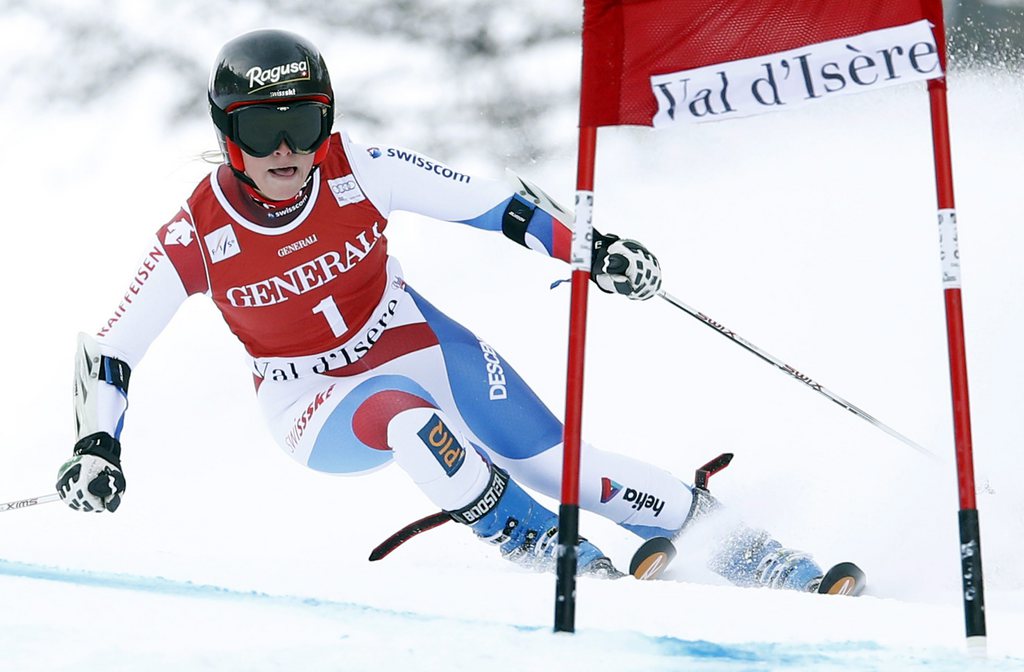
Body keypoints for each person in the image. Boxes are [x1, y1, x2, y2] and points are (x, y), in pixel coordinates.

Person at [56, 28, 863, 595]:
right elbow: (112, 348)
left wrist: (594, 250)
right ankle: (543, 545)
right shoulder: (196, 233)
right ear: (227, 133)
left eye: (303, 122)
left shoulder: (358, 167)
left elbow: (492, 206)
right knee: (408, 420)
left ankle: (749, 550)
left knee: (555, 461)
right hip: (311, 400)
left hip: (411, 335)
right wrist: (98, 446)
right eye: (263, 128)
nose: (285, 150)